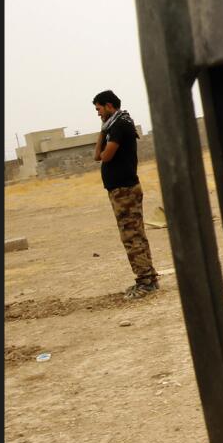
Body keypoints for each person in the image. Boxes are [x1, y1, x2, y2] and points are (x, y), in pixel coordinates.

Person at [93, 90, 159, 298]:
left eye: (99, 109)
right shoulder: (113, 125)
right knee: (134, 234)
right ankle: (149, 278)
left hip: (125, 189)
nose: (98, 113)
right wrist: (103, 131)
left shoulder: (120, 125)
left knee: (132, 236)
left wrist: (106, 135)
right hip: (120, 189)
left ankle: (145, 282)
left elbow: (106, 156)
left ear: (109, 106)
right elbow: (97, 155)